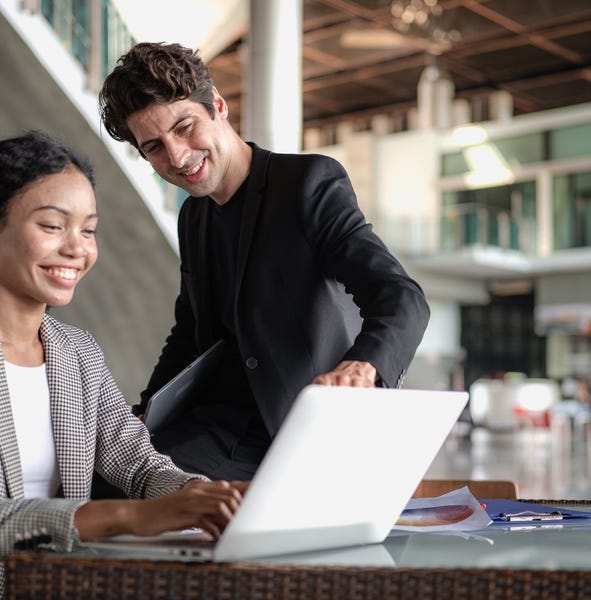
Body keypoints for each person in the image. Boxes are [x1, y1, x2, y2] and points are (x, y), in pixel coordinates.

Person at [0, 132, 245, 599]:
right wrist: (125, 516)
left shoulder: (78, 352)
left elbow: (138, 466)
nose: (77, 248)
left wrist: (204, 496)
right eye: (53, 226)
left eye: (88, 230)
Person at [97, 42, 431, 482]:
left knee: (127, 486)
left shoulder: (306, 184)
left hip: (290, 428)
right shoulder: (193, 215)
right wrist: (145, 413)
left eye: (185, 127)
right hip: (214, 424)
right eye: (155, 147)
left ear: (218, 105)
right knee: (99, 472)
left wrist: (363, 366)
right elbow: (188, 333)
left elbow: (401, 297)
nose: (177, 157)